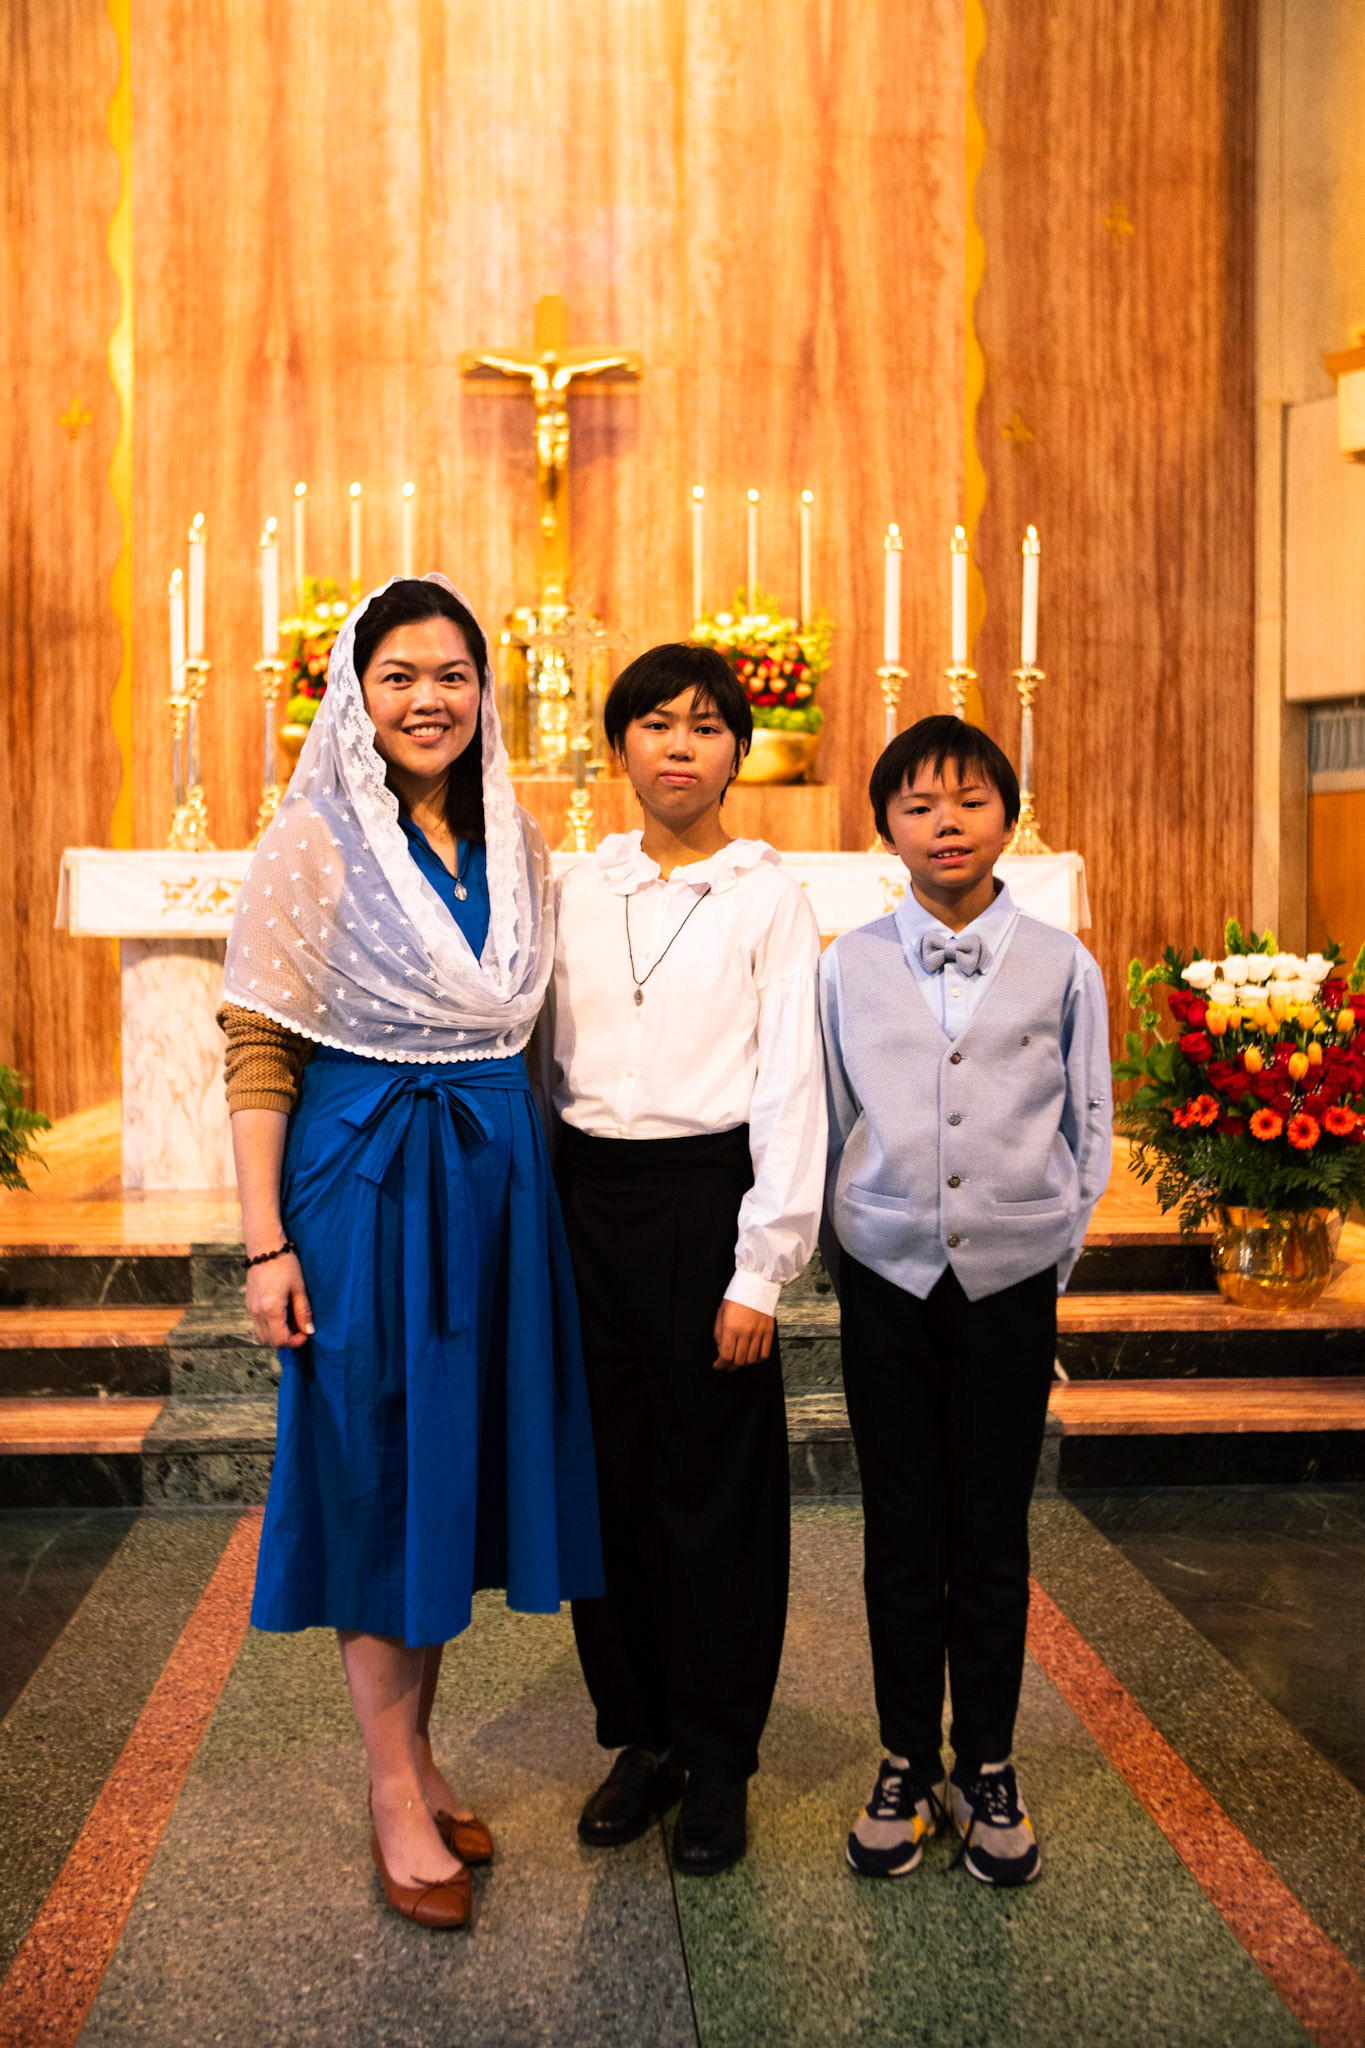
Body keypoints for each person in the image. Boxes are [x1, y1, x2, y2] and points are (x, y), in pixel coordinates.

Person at [219, 575, 602, 1931]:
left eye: (451, 675)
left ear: (483, 691)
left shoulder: (518, 838)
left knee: (452, 1471)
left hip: (493, 1190)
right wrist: (264, 1245)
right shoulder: (314, 841)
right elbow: (260, 1044)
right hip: (367, 1186)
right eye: (399, 676)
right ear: (356, 693)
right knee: (380, 1471)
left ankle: (421, 1753)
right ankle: (390, 1785)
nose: (428, 700)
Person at [536, 643, 826, 1875]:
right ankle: (640, 1736)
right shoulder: (571, 888)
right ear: (619, 745)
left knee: (716, 1498)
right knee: (608, 1486)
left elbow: (795, 1086)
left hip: (709, 1204)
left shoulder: (768, 897)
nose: (679, 746)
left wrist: (761, 1269)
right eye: (655, 723)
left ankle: (718, 1757)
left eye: (706, 727)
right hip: (584, 1206)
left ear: (737, 753)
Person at [821, 715, 1111, 1888]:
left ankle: (987, 1758)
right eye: (920, 804)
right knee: (900, 1528)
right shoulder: (845, 963)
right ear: (885, 827)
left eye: (972, 800)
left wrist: (1046, 1250)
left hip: (1009, 1283)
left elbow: (1089, 1121)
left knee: (991, 1529)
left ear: (1008, 817)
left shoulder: (1064, 962)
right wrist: (850, 1238)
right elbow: (830, 1110)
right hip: (887, 1278)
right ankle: (904, 1754)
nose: (947, 822)